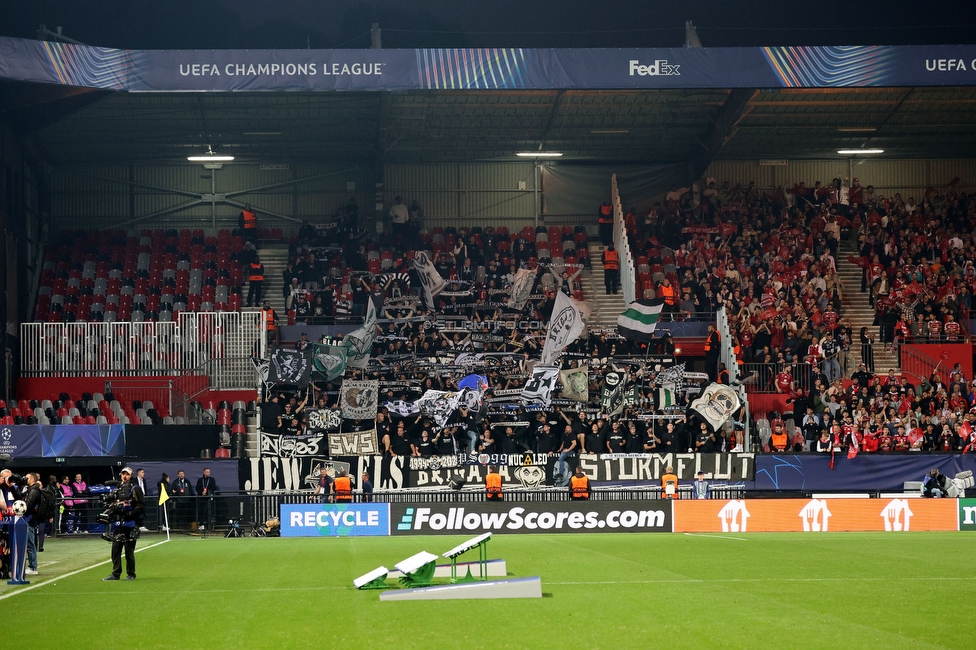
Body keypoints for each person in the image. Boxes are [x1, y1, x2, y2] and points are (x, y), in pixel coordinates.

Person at [102, 467, 145, 581]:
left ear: (131, 476)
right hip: (118, 524)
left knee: (128, 551)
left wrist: (130, 513)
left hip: (130, 524)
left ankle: (131, 574)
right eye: (123, 474)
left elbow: (140, 506)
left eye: (127, 474)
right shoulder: (117, 489)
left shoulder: (135, 489)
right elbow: (110, 502)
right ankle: (116, 574)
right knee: (115, 550)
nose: (124, 476)